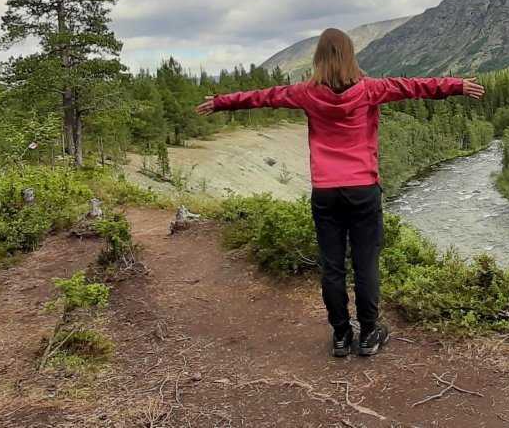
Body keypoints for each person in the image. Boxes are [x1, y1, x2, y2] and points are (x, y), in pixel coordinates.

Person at [195, 28, 484, 357]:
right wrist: (457, 86)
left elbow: (264, 96)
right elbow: (415, 87)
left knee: (332, 266)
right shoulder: (372, 90)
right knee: (365, 264)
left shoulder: (305, 93)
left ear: (318, 58)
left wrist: (220, 103)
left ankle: (342, 336)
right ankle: (370, 332)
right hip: (363, 189)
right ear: (351, 56)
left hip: (326, 192)